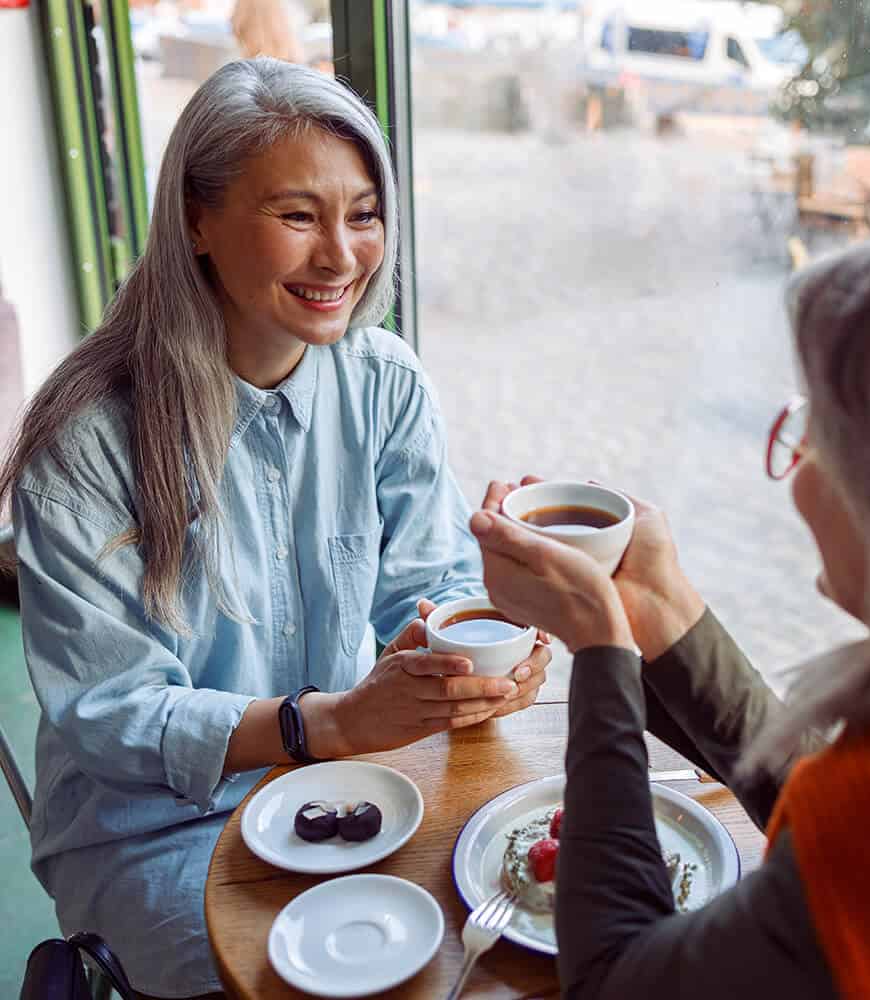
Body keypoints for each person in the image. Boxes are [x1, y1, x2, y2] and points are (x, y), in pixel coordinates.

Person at [1, 59, 548, 1000]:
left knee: (497, 933)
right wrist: (323, 721)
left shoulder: (385, 382)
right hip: (157, 831)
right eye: (298, 216)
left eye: (364, 214)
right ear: (197, 221)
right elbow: (112, 715)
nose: (341, 255)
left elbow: (429, 584)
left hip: (349, 785)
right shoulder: (88, 438)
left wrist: (479, 646)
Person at [473, 235, 870, 998]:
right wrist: (661, 608)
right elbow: (833, 808)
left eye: (821, 426)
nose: (799, 457)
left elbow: (614, 979)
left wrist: (600, 649)